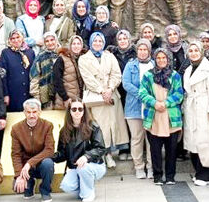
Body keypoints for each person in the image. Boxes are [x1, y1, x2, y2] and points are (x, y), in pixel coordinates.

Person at [79, 31, 128, 167]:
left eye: (100, 41)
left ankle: (110, 154)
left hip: (111, 96)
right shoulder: (84, 59)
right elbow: (87, 78)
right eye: (95, 41)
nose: (97, 43)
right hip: (96, 97)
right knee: (99, 128)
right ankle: (101, 155)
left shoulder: (109, 56)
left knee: (112, 126)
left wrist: (110, 89)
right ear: (91, 42)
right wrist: (101, 91)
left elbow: (116, 74)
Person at [139, 48, 185, 185]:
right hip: (154, 116)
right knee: (155, 149)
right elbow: (142, 93)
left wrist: (166, 103)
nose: (161, 60)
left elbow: (179, 94)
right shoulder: (148, 76)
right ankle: (158, 175)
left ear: (168, 59)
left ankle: (170, 176)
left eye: (164, 58)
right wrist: (154, 103)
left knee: (171, 150)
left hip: (170, 116)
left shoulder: (175, 75)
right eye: (158, 58)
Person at [182, 41, 209, 186]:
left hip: (204, 108)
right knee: (193, 143)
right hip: (191, 108)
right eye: (190, 51)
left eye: (196, 50)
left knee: (205, 142)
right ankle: (198, 171)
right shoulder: (188, 69)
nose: (193, 53)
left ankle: (207, 175)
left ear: (201, 51)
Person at [54, 99, 107, 202]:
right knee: (66, 186)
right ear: (69, 111)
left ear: (84, 111)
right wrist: (48, 156)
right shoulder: (64, 131)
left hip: (94, 165)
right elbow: (62, 153)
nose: (77, 111)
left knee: (84, 168)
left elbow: (100, 148)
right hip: (75, 167)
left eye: (80, 109)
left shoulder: (93, 126)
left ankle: (88, 194)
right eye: (74, 109)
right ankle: (86, 185)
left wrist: (86, 157)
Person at [11, 99, 57, 201]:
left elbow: (49, 150)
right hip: (26, 168)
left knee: (48, 163)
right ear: (24, 112)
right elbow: (16, 154)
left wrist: (29, 163)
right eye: (28, 112)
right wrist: (19, 175)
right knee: (17, 187)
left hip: (41, 164)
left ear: (39, 112)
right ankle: (29, 184)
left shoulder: (47, 125)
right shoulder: (16, 129)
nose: (32, 115)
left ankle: (45, 191)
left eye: (34, 112)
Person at [122, 39, 154, 179]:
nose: (142, 52)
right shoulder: (130, 65)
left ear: (149, 51)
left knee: (151, 139)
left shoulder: (153, 65)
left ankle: (151, 166)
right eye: (140, 49)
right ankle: (139, 167)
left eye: (145, 49)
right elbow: (126, 84)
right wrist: (142, 94)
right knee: (136, 138)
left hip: (151, 108)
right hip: (134, 108)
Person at [0, 29, 35, 113]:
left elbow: (34, 73)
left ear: (22, 38)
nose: (16, 40)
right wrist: (5, 94)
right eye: (13, 38)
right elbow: (2, 75)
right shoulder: (6, 53)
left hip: (28, 92)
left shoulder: (30, 52)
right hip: (13, 93)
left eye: (18, 37)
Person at [52, 35, 85, 109]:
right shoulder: (62, 59)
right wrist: (65, 98)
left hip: (79, 100)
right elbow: (57, 80)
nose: (76, 46)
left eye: (78, 44)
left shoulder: (84, 58)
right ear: (70, 45)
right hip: (65, 100)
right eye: (74, 44)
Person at [30, 31, 60, 108]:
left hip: (61, 94)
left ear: (56, 40)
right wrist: (36, 96)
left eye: (52, 40)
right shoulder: (40, 57)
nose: (50, 43)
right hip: (45, 96)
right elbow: (34, 77)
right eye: (47, 41)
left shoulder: (62, 54)